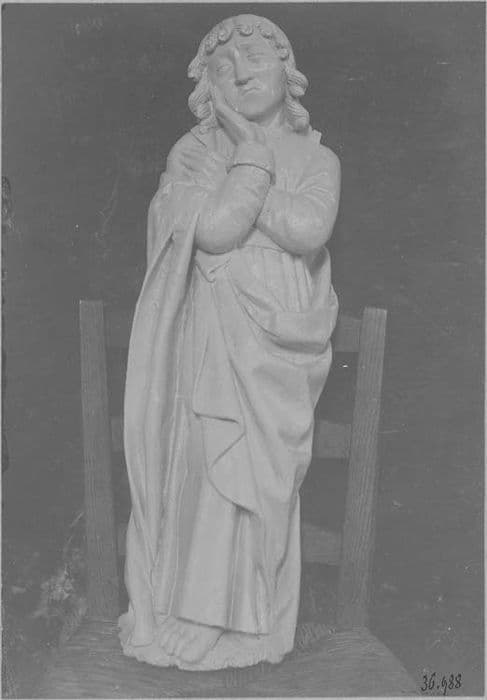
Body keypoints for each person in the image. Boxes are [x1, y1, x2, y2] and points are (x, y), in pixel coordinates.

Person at [119, 14, 340, 670]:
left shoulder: (318, 159)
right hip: (208, 331)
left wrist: (250, 171)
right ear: (205, 87)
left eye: (257, 60)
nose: (241, 74)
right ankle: (200, 611)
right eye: (223, 66)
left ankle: (250, 620)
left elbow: (307, 230)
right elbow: (214, 230)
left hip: (279, 345)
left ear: (287, 75)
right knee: (208, 464)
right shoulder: (191, 154)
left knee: (256, 475)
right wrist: (251, 161)